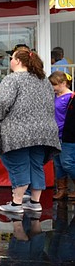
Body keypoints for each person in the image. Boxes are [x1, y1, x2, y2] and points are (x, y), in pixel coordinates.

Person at [0, 47, 59, 215]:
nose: (11, 61)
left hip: (17, 131)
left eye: (13, 58)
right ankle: (35, 202)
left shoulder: (12, 79)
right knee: (36, 165)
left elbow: (1, 104)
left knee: (18, 164)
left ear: (18, 61)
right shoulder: (44, 81)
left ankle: (17, 203)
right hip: (44, 132)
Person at [49, 70, 73, 200]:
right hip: (55, 135)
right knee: (58, 163)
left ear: (63, 83)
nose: (53, 88)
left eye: (55, 85)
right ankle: (62, 189)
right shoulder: (55, 96)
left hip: (66, 135)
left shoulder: (70, 97)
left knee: (67, 163)